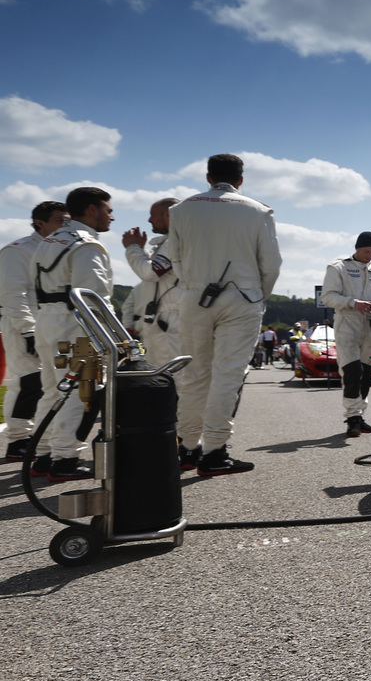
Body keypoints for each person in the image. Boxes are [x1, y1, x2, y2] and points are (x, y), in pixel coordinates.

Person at [160, 153, 282, 476]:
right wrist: (258, 296)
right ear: (240, 179)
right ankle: (214, 450)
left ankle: (187, 447)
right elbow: (271, 265)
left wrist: (191, 287)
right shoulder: (259, 211)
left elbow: (174, 257)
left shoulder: (180, 210)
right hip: (242, 297)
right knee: (227, 374)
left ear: (208, 176)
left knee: (194, 374)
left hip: (192, 297)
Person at [29, 188, 115, 482]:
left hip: (46, 319)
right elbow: (94, 296)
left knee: (52, 391)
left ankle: (41, 453)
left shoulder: (48, 241)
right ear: (92, 210)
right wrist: (111, 337)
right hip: (76, 324)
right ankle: (65, 459)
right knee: (80, 393)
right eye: (108, 210)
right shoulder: (86, 244)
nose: (111, 216)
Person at [1, 201, 67, 462]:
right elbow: (12, 296)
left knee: (50, 385)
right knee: (26, 382)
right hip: (22, 325)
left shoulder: (60, 249)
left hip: (52, 325)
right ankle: (17, 440)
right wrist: (28, 331)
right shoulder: (17, 251)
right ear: (40, 222)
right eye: (61, 220)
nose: (66, 225)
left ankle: (41, 436)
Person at [321, 232, 371, 436]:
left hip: (370, 326)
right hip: (347, 323)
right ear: (357, 248)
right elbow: (328, 297)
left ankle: (360, 416)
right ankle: (352, 418)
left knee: (366, 374)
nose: (370, 255)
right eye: (367, 251)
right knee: (352, 372)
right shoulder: (338, 267)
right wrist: (353, 303)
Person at [120, 198, 182, 368]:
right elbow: (160, 271)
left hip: (171, 322)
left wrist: (132, 248)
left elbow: (150, 273)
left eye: (152, 215)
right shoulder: (175, 240)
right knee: (163, 375)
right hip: (166, 319)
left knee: (172, 375)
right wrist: (141, 251)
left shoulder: (175, 241)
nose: (149, 220)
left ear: (168, 215)